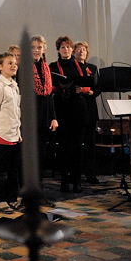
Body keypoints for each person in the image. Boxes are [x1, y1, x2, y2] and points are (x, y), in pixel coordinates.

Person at [49, 36, 91, 193]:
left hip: (78, 110)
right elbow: (50, 86)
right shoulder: (53, 66)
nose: (66, 49)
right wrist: (59, 88)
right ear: (58, 50)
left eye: (68, 47)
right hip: (62, 109)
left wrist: (83, 89)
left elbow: (89, 84)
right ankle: (64, 181)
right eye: (62, 47)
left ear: (72, 49)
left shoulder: (79, 65)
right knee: (63, 148)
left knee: (77, 147)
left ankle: (77, 181)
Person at [0, 51, 22, 214]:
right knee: (1, 172)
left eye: (15, 63)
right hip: (2, 136)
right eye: (9, 63)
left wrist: (18, 132)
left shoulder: (14, 86)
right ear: (0, 67)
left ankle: (12, 199)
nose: (14, 65)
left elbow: (16, 111)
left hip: (15, 135)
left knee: (13, 170)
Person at [30, 35, 59, 192]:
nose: (36, 50)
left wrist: (53, 117)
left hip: (44, 116)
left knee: (41, 152)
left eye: (39, 47)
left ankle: (39, 183)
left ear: (44, 49)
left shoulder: (46, 68)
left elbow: (49, 96)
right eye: (33, 47)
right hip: (30, 117)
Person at [74, 41, 101, 185]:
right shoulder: (71, 67)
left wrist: (90, 91)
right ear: (74, 52)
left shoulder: (92, 68)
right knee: (77, 143)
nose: (81, 51)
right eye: (78, 49)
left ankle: (91, 174)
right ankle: (76, 175)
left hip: (90, 108)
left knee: (90, 143)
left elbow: (98, 88)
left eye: (83, 49)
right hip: (77, 109)